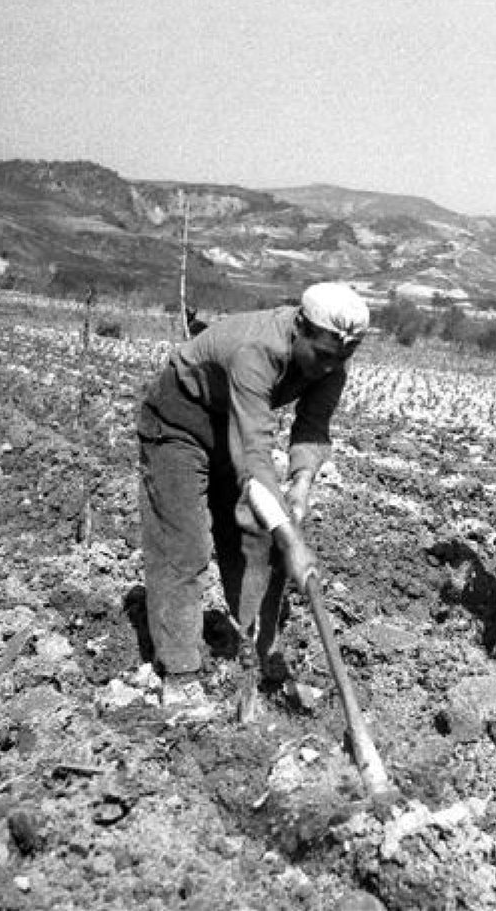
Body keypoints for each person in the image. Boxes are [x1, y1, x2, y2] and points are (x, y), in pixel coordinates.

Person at [138, 281, 370, 715]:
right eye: (321, 355)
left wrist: (300, 487)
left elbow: (312, 428)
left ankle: (254, 650)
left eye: (342, 358)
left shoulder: (331, 363)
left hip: (230, 423)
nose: (328, 368)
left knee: (254, 539)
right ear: (300, 327)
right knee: (184, 545)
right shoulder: (257, 351)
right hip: (179, 419)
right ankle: (181, 674)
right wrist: (294, 543)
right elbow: (254, 455)